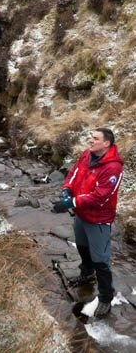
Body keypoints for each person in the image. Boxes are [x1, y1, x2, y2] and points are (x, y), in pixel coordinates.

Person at [52, 128, 124, 318]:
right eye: (91, 137)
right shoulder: (87, 155)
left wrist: (70, 202)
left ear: (106, 143)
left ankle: (106, 298)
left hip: (99, 219)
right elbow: (74, 173)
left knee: (101, 259)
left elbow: (101, 197)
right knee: (83, 247)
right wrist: (67, 190)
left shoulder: (113, 168)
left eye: (95, 138)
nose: (90, 141)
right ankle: (86, 273)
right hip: (81, 214)